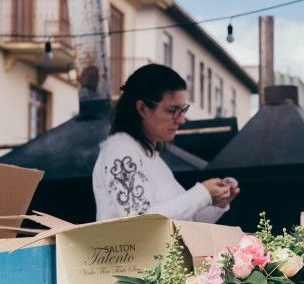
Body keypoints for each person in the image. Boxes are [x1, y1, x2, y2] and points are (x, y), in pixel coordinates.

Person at [93, 64, 239, 222]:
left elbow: (188, 222)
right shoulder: (120, 150)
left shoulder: (152, 158)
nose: (181, 119)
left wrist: (216, 201)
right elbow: (139, 221)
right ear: (142, 109)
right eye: (172, 110)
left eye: (183, 110)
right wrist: (203, 193)